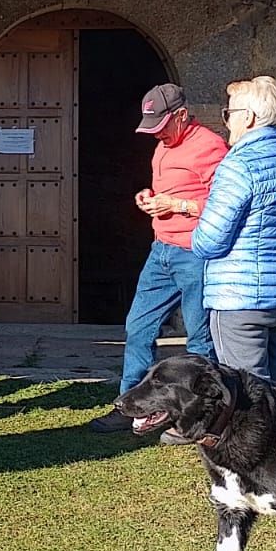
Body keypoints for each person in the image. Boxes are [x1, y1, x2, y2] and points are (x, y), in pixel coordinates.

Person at [89, 83, 227, 439]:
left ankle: (202, 417)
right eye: (151, 127)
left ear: (181, 115)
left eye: (162, 125)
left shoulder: (211, 146)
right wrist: (150, 198)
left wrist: (177, 206)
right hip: (161, 251)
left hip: (195, 253)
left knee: (198, 338)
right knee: (138, 326)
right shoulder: (162, 149)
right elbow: (174, 192)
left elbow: (225, 204)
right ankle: (129, 404)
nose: (158, 134)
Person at [192, 76, 276, 383]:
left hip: (241, 296)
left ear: (248, 117)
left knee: (249, 392)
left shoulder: (239, 163)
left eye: (229, 113)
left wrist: (197, 229)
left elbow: (210, 241)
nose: (227, 121)